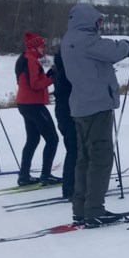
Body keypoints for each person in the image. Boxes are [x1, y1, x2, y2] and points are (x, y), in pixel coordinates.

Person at [60, 3, 129, 227]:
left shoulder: (68, 40)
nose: (100, 25)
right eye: (98, 21)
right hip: (96, 107)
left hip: (79, 107)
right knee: (101, 158)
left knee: (84, 159)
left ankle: (81, 209)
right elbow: (113, 50)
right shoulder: (87, 41)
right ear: (88, 20)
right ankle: (95, 210)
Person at [15, 32, 60, 187]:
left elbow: (29, 81)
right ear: (36, 47)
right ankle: (45, 175)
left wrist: (47, 76)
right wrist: (53, 79)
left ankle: (24, 176)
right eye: (42, 46)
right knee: (53, 139)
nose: (44, 48)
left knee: (33, 139)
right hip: (33, 104)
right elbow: (35, 84)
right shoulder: (31, 61)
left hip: (25, 104)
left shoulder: (24, 59)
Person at [51, 49, 77, 199]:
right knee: (74, 150)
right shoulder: (66, 74)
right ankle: (71, 188)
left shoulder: (60, 72)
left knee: (73, 149)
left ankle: (70, 187)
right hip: (69, 115)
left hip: (63, 114)